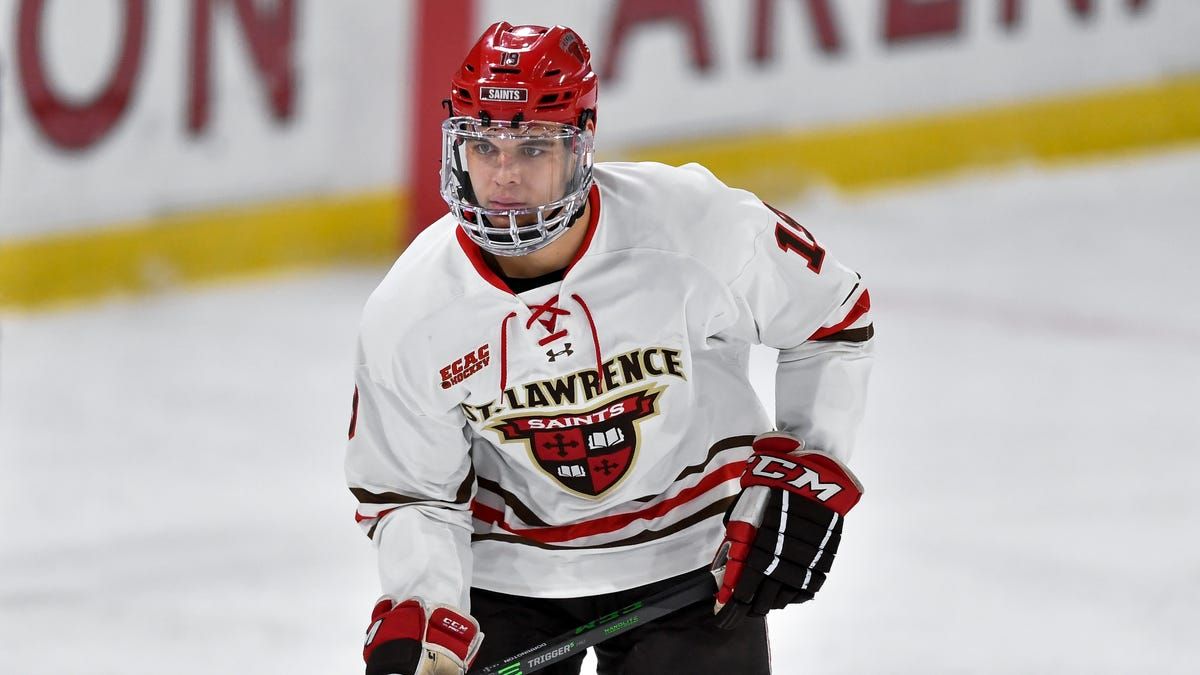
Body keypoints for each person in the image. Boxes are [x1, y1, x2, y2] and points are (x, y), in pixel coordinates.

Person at [346, 21, 874, 675]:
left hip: (693, 563)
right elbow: (413, 493)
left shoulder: (691, 226)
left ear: (580, 145)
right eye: (483, 144)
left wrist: (805, 472)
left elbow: (832, 316)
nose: (503, 174)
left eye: (533, 146)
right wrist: (427, 624)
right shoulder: (413, 309)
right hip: (509, 582)